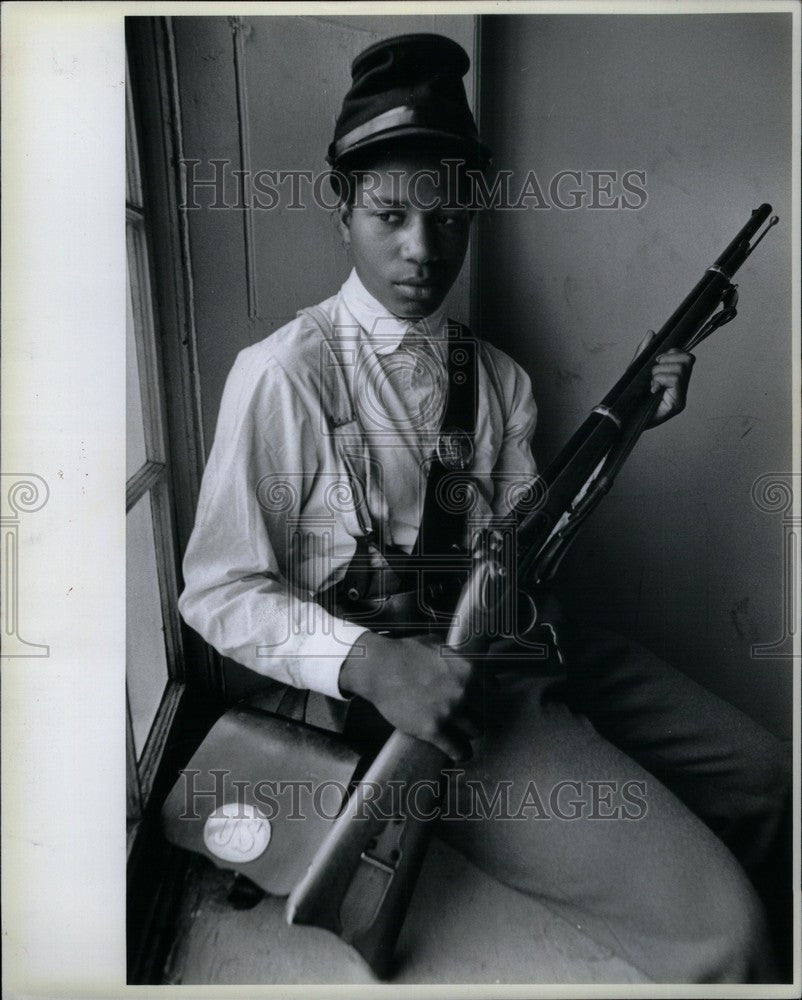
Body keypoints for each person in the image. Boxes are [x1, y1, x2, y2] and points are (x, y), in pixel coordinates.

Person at [178, 33, 790, 983]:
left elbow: (529, 547)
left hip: (525, 645)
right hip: (428, 707)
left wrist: (627, 433)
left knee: (769, 780)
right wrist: (372, 664)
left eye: (449, 216)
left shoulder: (496, 379)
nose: (424, 249)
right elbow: (216, 592)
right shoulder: (282, 377)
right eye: (391, 215)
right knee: (731, 930)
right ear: (343, 211)